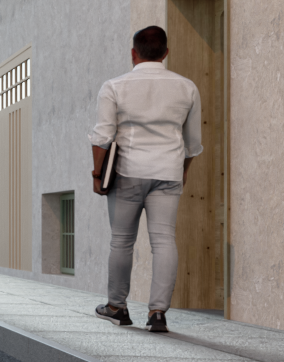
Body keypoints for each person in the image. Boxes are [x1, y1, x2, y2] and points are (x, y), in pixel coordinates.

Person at [89, 25, 201, 335]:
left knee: (122, 241)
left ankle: (116, 307)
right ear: (166, 53)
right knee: (164, 240)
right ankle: (157, 314)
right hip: (168, 172)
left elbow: (102, 136)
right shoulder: (187, 87)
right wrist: (184, 169)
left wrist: (98, 175)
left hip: (127, 172)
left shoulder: (114, 87)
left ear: (133, 54)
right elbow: (192, 142)